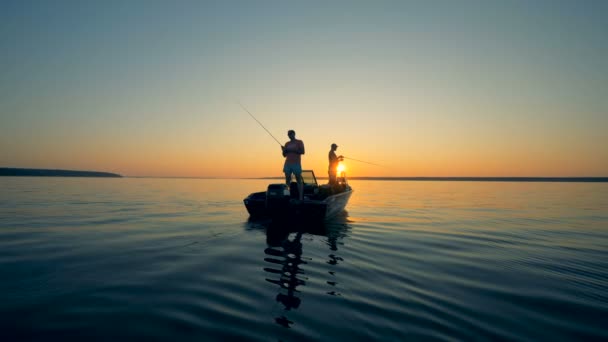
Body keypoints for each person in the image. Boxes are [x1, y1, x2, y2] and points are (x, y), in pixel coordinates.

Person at [282, 130, 305, 200]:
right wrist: (283, 151)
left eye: (290, 134)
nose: (289, 135)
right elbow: (284, 155)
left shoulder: (299, 142)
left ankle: (301, 197)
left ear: (294, 134)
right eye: (288, 134)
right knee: (287, 180)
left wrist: (293, 150)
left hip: (296, 163)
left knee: (298, 180)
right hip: (287, 163)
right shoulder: (287, 144)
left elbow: (303, 152)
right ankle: (287, 196)